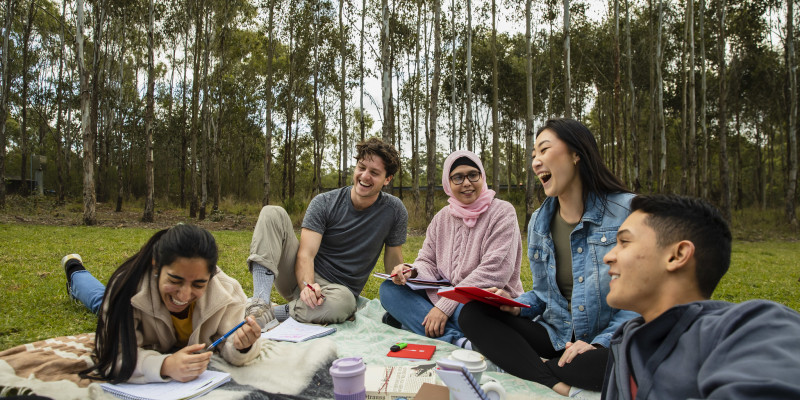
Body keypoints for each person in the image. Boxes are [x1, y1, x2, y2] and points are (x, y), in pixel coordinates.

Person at [458, 118, 638, 396]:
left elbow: (640, 300)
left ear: (577, 153)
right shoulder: (539, 222)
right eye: (533, 156)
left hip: (610, 339)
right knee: (472, 313)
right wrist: (514, 305)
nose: (536, 162)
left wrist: (600, 343)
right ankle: (551, 378)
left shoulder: (627, 211)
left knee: (626, 358)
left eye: (544, 150)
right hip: (558, 335)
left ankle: (528, 365)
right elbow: (544, 296)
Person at [602, 194, 800, 399]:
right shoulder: (626, 343)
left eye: (624, 242)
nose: (608, 257)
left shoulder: (755, 327)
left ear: (677, 255)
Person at [63, 224, 263, 384]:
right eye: (175, 281)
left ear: (211, 277)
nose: (184, 295)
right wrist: (165, 365)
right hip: (126, 302)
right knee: (100, 300)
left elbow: (230, 343)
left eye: (198, 284)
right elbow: (113, 356)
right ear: (156, 266)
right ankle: (74, 267)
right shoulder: (126, 292)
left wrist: (242, 346)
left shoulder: (227, 292)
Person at [247, 137, 407, 325]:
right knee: (272, 212)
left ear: (387, 179)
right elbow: (306, 254)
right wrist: (307, 286)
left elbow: (393, 259)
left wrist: (399, 276)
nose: (364, 176)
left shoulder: (394, 210)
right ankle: (259, 303)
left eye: (374, 172)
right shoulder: (324, 202)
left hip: (336, 294)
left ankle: (274, 314)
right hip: (300, 276)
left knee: (346, 303)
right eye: (361, 168)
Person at [379, 150, 523, 348]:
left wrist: (445, 307)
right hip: (445, 294)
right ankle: (460, 341)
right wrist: (411, 270)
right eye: (458, 177)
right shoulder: (442, 218)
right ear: (448, 183)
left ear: (482, 176)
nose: (466, 183)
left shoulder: (502, 212)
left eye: (473, 174)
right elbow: (427, 261)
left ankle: (414, 323)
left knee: (471, 313)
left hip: (483, 299)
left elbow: (496, 271)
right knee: (389, 290)